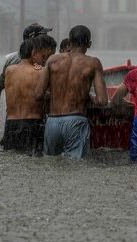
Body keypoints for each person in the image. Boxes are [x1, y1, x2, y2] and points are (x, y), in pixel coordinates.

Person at [34, 25, 107, 159]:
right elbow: (102, 101)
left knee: (51, 166)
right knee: (75, 170)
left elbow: (38, 94)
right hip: (76, 121)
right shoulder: (93, 63)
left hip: (52, 123)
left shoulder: (52, 60)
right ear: (89, 44)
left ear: (69, 41)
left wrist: (57, 94)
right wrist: (88, 96)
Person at [0, 35, 57, 155]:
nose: (43, 59)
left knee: (13, 160)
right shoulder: (40, 72)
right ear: (33, 52)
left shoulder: (9, 71)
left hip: (11, 125)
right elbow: (51, 94)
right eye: (42, 56)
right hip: (32, 124)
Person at [0, 23, 52, 127]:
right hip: (29, 120)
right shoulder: (15, 60)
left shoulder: (43, 58)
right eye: (43, 36)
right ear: (33, 38)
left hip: (17, 120)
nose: (46, 38)